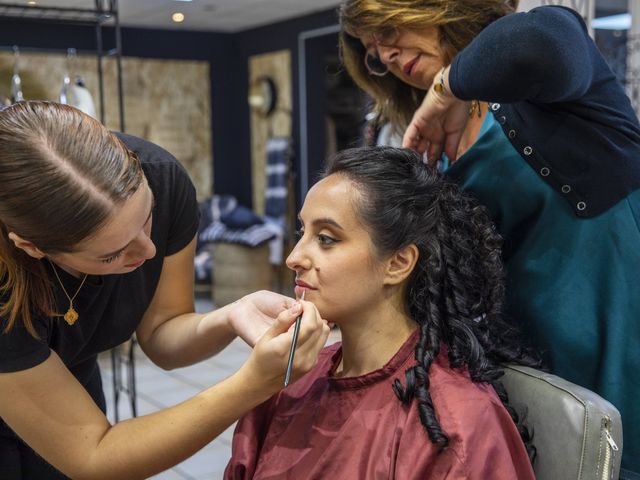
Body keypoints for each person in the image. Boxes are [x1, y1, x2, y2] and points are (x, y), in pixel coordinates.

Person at [339, 2, 640, 476]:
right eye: (374, 53)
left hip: (623, 340)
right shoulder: (431, 154)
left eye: (389, 30)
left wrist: (447, 87)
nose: (388, 55)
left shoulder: (541, 78)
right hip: (539, 372)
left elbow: (542, 41)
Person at [0, 100, 330, 479]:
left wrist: (230, 314)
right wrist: (252, 384)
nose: (150, 250)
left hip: (70, 378)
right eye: (112, 255)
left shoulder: (163, 178)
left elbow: (162, 334)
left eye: (148, 218)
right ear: (32, 247)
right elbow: (93, 455)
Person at [224, 146, 539, 479]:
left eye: (327, 239)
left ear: (398, 263)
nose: (294, 257)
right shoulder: (287, 380)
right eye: (303, 233)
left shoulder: (455, 424)